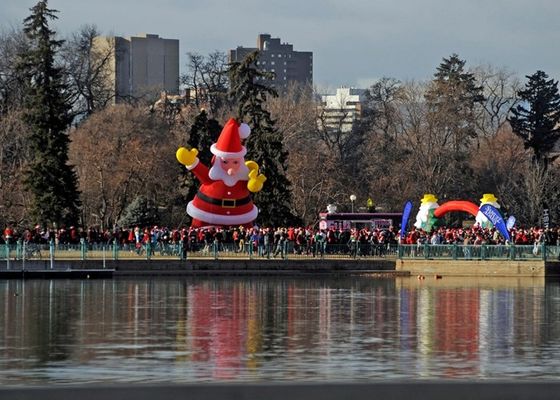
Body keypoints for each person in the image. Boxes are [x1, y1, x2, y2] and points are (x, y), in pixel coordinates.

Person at [176, 118, 266, 228]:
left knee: (247, 227)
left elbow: (252, 187)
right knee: (199, 225)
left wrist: (254, 183)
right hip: (208, 212)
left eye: (235, 162)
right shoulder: (213, 175)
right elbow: (201, 173)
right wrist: (192, 162)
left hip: (241, 214)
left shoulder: (243, 176)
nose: (230, 167)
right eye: (225, 162)